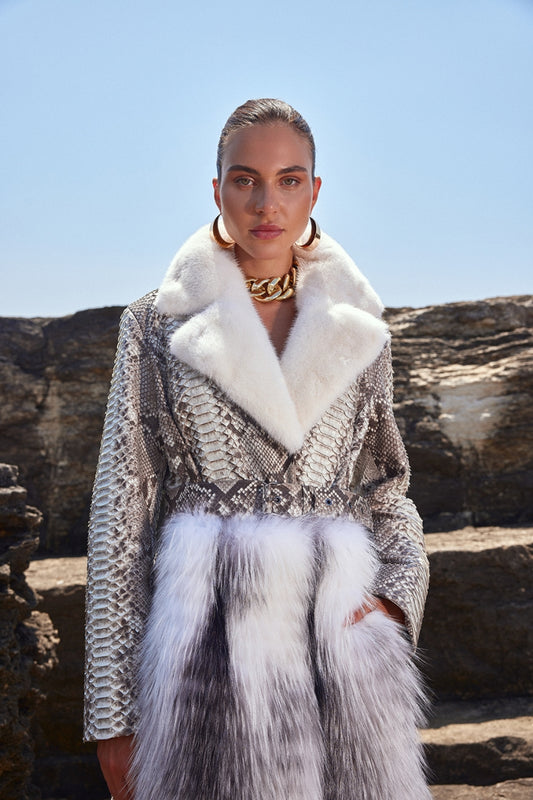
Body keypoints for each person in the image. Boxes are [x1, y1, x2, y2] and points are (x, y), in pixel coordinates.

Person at [84, 98, 431, 800]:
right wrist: (111, 715)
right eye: (244, 180)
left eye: (288, 179)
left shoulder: (361, 327)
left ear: (314, 189)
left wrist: (394, 603)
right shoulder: (153, 325)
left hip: (345, 654)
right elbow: (118, 517)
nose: (265, 203)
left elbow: (387, 489)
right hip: (205, 662)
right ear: (216, 189)